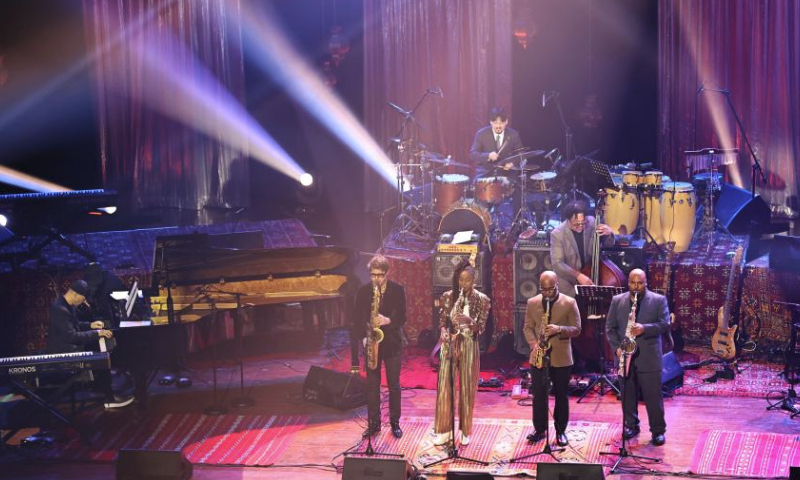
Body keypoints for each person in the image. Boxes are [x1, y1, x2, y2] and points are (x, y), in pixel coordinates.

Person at [605, 269, 669, 446]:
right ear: (628, 284)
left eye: (639, 283)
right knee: (627, 394)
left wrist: (645, 328)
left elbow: (665, 325)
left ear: (646, 282)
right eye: (633, 283)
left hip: (648, 357)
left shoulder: (658, 300)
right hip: (624, 356)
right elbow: (610, 328)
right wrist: (617, 349)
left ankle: (658, 431)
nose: (636, 286)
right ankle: (631, 426)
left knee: (653, 396)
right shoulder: (617, 301)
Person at [46, 279, 134, 409]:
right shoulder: (59, 309)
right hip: (65, 352)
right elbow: (71, 336)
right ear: (75, 294)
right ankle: (108, 396)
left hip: (70, 346)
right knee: (99, 352)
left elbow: (74, 326)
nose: (83, 302)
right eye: (82, 299)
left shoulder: (66, 304)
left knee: (101, 347)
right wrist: (97, 333)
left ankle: (102, 388)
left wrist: (90, 325)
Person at [433, 260, 491, 447]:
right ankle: (444, 430)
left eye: (467, 280)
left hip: (468, 344)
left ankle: (465, 430)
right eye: (461, 280)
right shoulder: (448, 296)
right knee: (444, 388)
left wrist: (470, 321)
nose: (463, 284)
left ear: (474, 280)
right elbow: (442, 321)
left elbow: (481, 328)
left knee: (467, 388)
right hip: (450, 344)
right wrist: (443, 331)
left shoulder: (483, 299)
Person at [523, 271, 581, 447]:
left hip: (561, 357)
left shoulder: (569, 302)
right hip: (539, 355)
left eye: (551, 289)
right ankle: (539, 429)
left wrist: (559, 329)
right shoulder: (532, 303)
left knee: (561, 396)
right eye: (544, 290)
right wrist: (534, 344)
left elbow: (577, 329)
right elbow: (527, 327)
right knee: (538, 395)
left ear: (557, 285)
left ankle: (561, 430)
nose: (547, 293)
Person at [355, 255, 406, 439]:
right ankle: (374, 423)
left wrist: (387, 320)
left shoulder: (398, 290)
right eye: (373, 275)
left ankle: (395, 422)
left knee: (394, 386)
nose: (376, 279)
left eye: (380, 275)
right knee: (372, 387)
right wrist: (363, 338)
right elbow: (357, 319)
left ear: (387, 273)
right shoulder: (363, 292)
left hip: (392, 343)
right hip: (372, 343)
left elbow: (402, 318)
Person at [550, 200, 615, 298]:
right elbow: (557, 264)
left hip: (591, 276)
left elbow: (608, 245)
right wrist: (578, 275)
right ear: (568, 220)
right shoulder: (557, 234)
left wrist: (609, 233)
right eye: (576, 224)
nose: (580, 227)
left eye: (583, 223)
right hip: (569, 284)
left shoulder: (592, 222)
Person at [469, 106, 525, 171]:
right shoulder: (481, 134)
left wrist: (512, 163)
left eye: (501, 123)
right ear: (490, 122)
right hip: (485, 172)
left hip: (507, 172)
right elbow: (472, 154)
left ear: (506, 121)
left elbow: (522, 154)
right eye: (495, 123)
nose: (498, 126)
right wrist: (488, 155)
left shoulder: (513, 134)